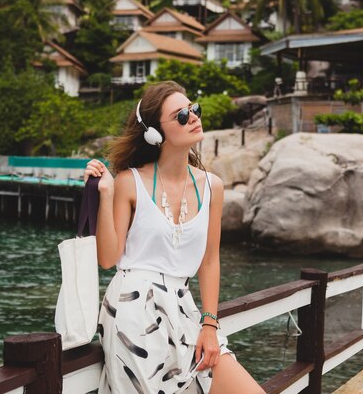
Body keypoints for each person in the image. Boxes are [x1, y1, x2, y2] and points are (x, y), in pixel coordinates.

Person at [84, 81, 263, 394]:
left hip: (185, 310)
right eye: (181, 115)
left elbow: (209, 261)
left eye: (193, 109)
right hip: (131, 312)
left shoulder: (212, 187)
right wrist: (106, 193)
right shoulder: (130, 182)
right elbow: (108, 258)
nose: (193, 116)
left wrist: (209, 324)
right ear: (155, 134)